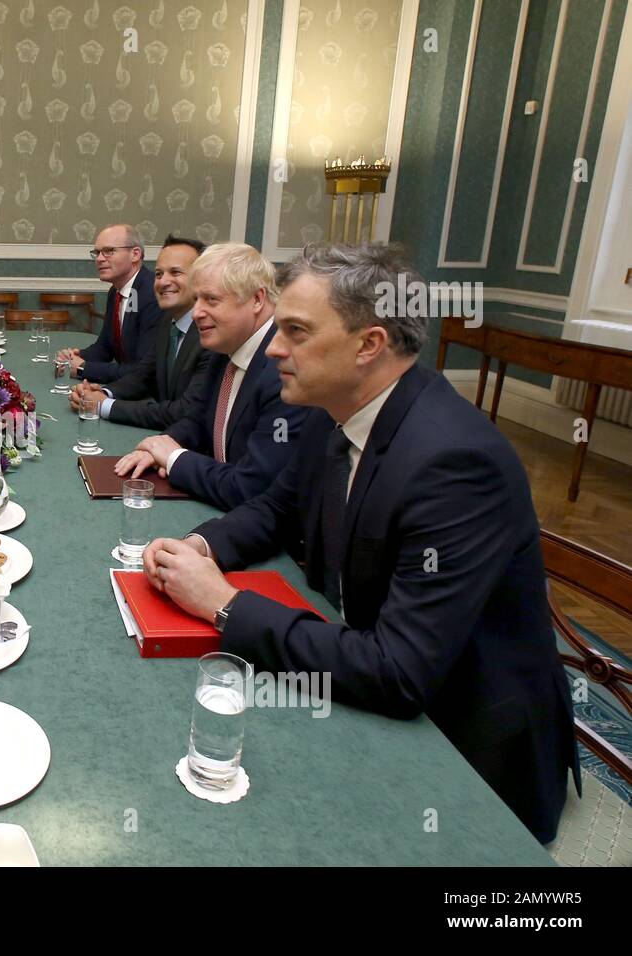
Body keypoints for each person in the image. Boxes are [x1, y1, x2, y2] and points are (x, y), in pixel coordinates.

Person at [143, 242, 577, 843]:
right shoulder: (338, 405)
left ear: (368, 344)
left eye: (294, 331)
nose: (273, 349)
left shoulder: (454, 461)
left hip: (461, 749)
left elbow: (398, 673)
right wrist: (199, 547)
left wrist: (223, 604)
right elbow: (273, 508)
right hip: (358, 659)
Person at [115, 243, 310, 511]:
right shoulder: (224, 347)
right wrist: (155, 447)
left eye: (211, 300)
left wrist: (173, 458)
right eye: (196, 300)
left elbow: (250, 488)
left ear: (257, 299)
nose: (196, 313)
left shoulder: (283, 370)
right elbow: (197, 420)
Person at [69, 235, 212, 431]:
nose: (163, 282)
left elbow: (184, 411)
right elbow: (144, 375)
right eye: (159, 274)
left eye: (176, 272)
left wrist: (103, 405)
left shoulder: (211, 335)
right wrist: (102, 392)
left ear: (201, 279)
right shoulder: (168, 322)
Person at [55, 223, 162, 384]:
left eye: (109, 251)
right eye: (97, 252)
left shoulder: (152, 294)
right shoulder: (116, 292)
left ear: (135, 254)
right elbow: (105, 348)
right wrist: (76, 357)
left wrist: (84, 367)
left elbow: (143, 370)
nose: (99, 259)